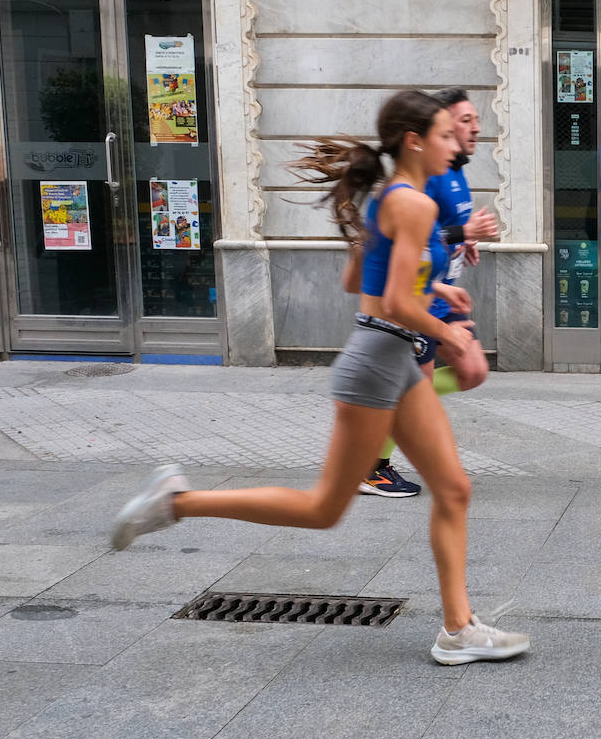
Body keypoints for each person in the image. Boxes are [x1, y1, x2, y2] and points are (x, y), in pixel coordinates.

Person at [109, 90, 530, 664]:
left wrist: (436, 287)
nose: (455, 143)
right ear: (414, 141)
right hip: (380, 360)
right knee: (323, 509)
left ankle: (457, 629)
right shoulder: (414, 204)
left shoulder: (397, 197)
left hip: (396, 359)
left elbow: (361, 276)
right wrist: (450, 329)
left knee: (454, 488)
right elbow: (383, 300)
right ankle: (178, 502)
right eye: (444, 134)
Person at [360, 88, 498, 498]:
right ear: (422, 136)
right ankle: (374, 460)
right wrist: (459, 235)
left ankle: (388, 427)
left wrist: (457, 247)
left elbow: (413, 246)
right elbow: (405, 248)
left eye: (475, 120)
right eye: (463, 121)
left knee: (471, 371)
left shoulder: (451, 173)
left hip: (434, 296)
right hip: (413, 309)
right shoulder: (418, 186)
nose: (474, 128)